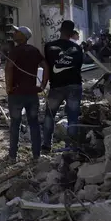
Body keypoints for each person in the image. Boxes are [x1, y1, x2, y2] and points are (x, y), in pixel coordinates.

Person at [5, 26, 48, 162]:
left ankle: (12, 156)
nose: (14, 33)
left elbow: (9, 68)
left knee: (15, 125)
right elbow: (46, 66)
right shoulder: (34, 51)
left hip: (16, 94)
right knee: (34, 124)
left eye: (17, 32)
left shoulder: (15, 51)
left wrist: (8, 87)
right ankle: (36, 155)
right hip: (31, 94)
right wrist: (43, 85)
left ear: (22, 36)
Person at [43, 20, 83, 151]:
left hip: (56, 87)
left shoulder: (48, 47)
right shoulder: (77, 48)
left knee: (49, 115)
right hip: (74, 86)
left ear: (60, 30)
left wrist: (44, 84)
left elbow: (47, 67)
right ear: (72, 34)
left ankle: (47, 145)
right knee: (72, 117)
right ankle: (71, 146)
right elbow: (79, 67)